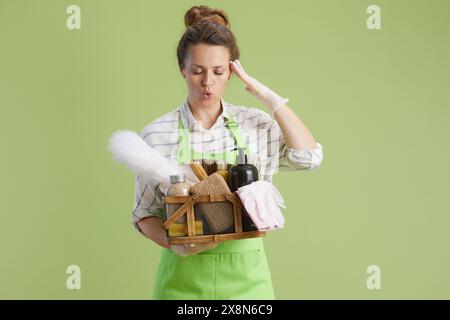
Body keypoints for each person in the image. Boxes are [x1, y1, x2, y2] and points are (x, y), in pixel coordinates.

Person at [131, 5, 324, 299]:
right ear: (182, 68)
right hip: (181, 285)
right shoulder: (158, 134)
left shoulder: (255, 126)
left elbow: (309, 158)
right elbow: (144, 215)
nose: (208, 82)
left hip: (248, 286)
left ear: (232, 71)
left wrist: (269, 98)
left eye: (218, 71)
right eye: (197, 71)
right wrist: (178, 245)